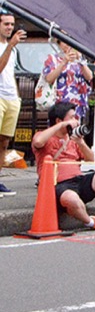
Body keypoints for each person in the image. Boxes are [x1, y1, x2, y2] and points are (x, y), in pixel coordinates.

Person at [32, 102, 95, 229]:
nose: (75, 120)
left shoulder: (73, 139)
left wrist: (81, 142)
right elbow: (38, 141)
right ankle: (91, 223)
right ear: (59, 120)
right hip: (58, 185)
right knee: (72, 199)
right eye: (71, 117)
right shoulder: (45, 136)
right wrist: (61, 125)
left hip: (78, 180)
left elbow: (91, 159)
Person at [0, 13, 27, 196]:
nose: (10, 27)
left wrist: (17, 96)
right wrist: (9, 46)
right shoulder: (10, 47)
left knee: (4, 142)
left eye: (12, 24)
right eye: (6, 24)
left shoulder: (14, 49)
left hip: (11, 98)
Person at [42, 37, 94, 126]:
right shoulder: (53, 58)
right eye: (65, 42)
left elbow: (89, 77)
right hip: (59, 103)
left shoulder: (79, 61)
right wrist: (64, 62)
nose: (68, 45)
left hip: (76, 104)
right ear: (59, 43)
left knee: (75, 133)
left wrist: (81, 61)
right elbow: (49, 79)